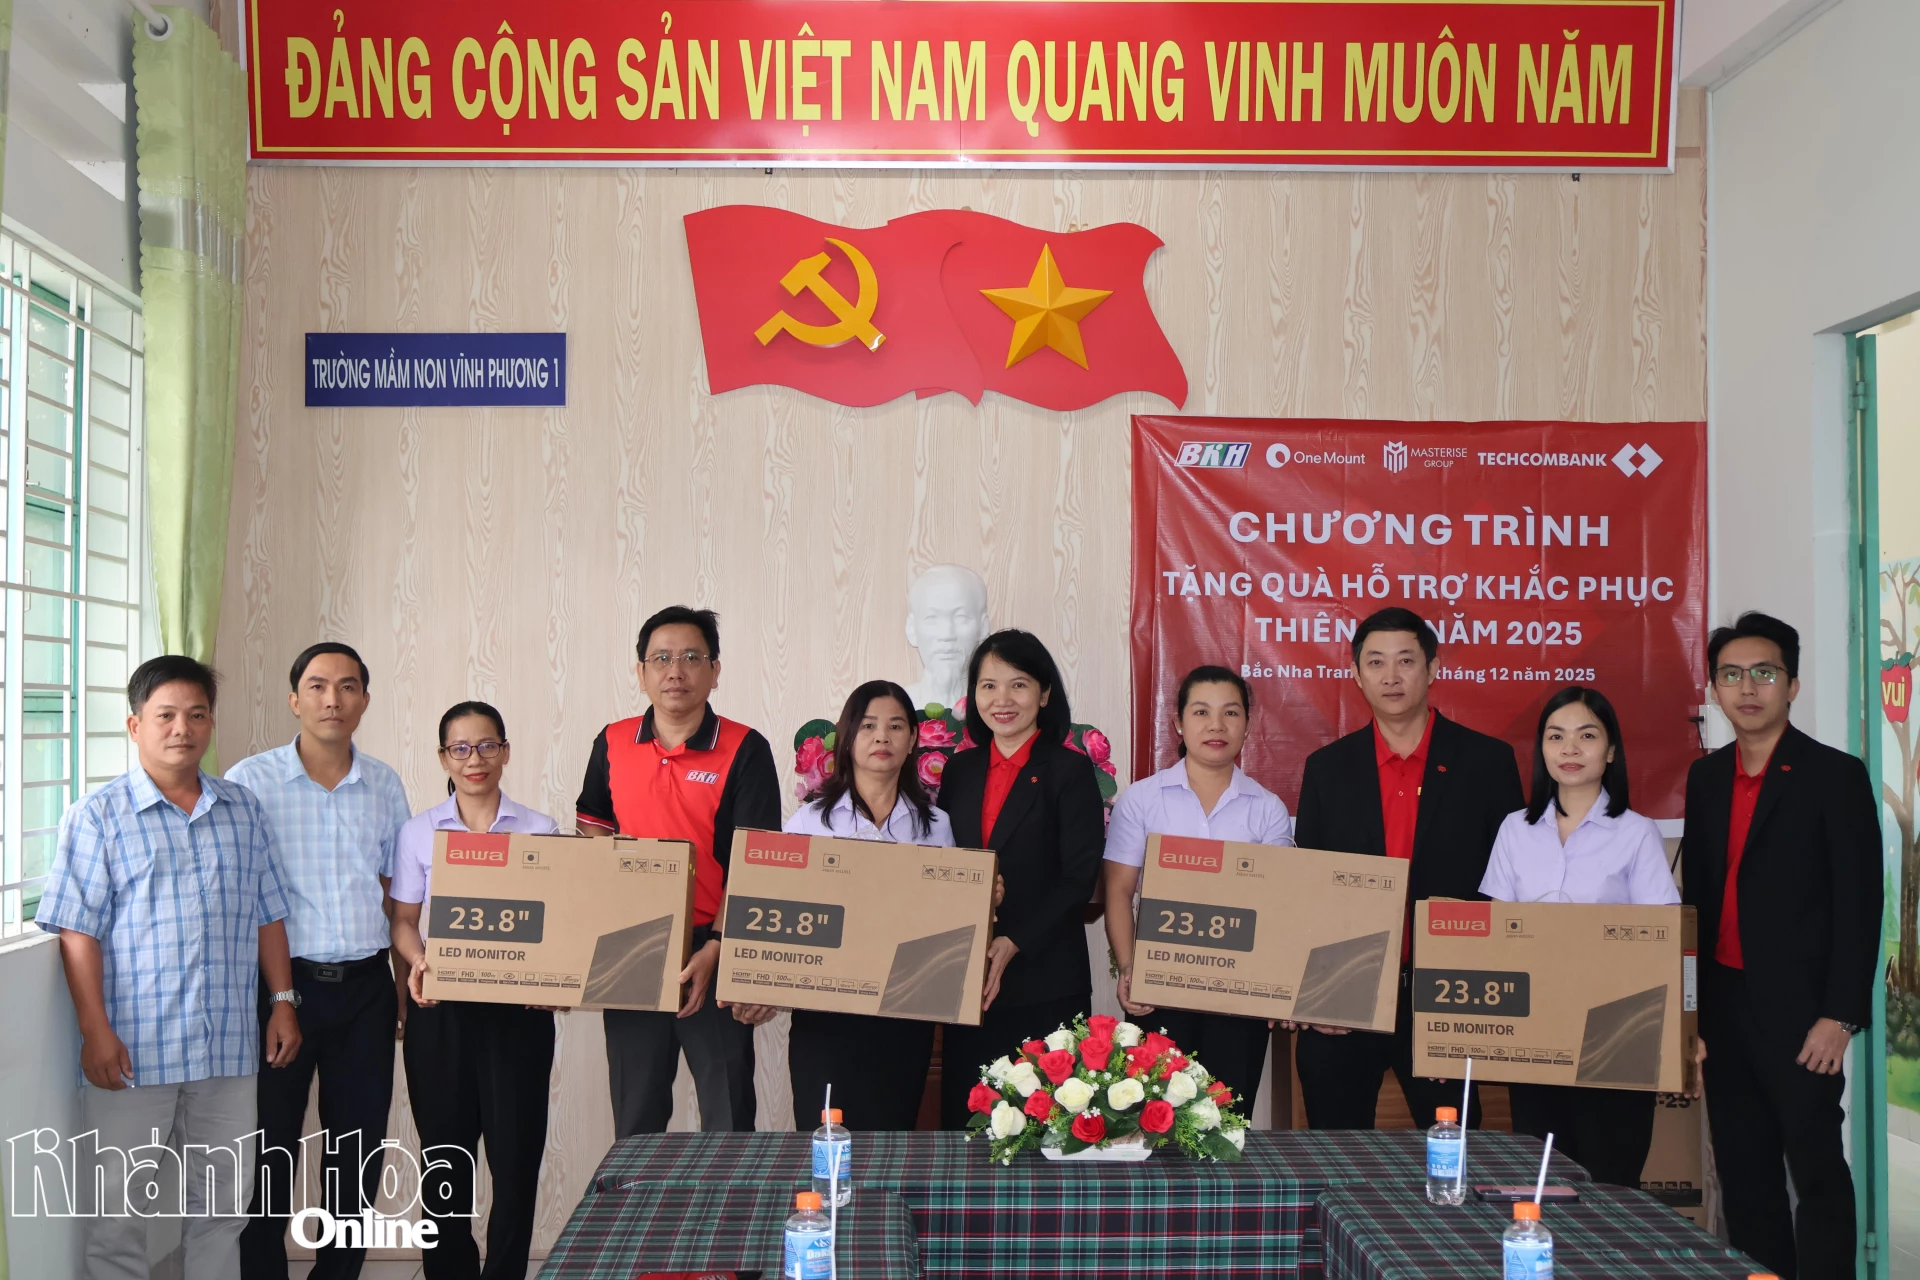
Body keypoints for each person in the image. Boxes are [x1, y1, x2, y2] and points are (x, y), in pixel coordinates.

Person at [39, 657, 301, 1280]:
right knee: (118, 1215)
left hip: (227, 1049)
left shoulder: (242, 809)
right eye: (166, 716)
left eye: (196, 714)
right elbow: (78, 932)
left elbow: (267, 913)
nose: (182, 728)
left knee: (223, 1210)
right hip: (134, 1052)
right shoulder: (97, 815)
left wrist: (283, 1001)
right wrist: (95, 1030)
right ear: (135, 725)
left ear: (211, 722)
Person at [1681, 612, 1880, 1280]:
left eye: (1764, 673)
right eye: (1731, 674)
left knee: (1815, 1171)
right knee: (1746, 1173)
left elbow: (1860, 904)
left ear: (1791, 684)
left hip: (1803, 1015)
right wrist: (1691, 1015)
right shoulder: (1706, 779)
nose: (1748, 688)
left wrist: (1840, 1015)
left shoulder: (1834, 775)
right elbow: (1697, 902)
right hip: (1725, 1007)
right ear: (1714, 688)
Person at [1291, 606, 1524, 1130]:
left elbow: (1506, 889)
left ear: (1433, 668)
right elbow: (1310, 889)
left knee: (1453, 1148)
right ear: (1357, 675)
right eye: (1375, 662)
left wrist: (1475, 1003)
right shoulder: (1327, 769)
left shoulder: (1487, 763)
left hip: (1447, 994)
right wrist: (1315, 992)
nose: (1391, 676)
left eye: (1406, 660)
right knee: (1335, 1145)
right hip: (1347, 993)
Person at [225, 643, 411, 1280]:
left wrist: (401, 988)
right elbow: (245, 893)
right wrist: (279, 998)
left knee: (357, 1152)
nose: (334, 699)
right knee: (269, 1149)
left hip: (366, 989)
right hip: (282, 989)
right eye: (318, 685)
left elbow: (396, 895)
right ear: (294, 699)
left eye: (348, 686)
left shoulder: (383, 784)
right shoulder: (251, 781)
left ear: (365, 699)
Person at [576, 606, 781, 1135]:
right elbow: (592, 827)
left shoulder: (745, 748)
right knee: (636, 1114)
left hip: (715, 947)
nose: (676, 671)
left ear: (715, 671)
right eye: (661, 658)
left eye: (691, 657)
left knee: (727, 1112)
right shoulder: (612, 741)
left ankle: (733, 1197)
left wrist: (718, 948)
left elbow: (756, 864)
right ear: (641, 671)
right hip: (631, 948)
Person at [723, 680, 956, 1130]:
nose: (882, 737)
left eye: (896, 726)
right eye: (868, 726)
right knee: (826, 1140)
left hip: (904, 1013)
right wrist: (758, 983)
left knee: (892, 1139)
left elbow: (947, 916)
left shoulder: (936, 826)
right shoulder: (810, 822)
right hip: (825, 1018)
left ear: (913, 740)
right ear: (847, 738)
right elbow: (776, 908)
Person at [1480, 685, 1678, 1187]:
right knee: (1543, 1181)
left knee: (1611, 1183)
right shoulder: (1514, 830)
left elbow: (1662, 941)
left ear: (1610, 752)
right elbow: (1494, 936)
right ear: (1542, 750)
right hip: (1534, 1033)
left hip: (1617, 1032)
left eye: (1586, 736)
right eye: (1556, 736)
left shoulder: (1636, 832)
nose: (1570, 748)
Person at [389, 702, 560, 1280]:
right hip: (441, 1013)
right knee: (445, 1161)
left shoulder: (540, 830)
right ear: (444, 758)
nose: (475, 759)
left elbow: (558, 923)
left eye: (487, 746)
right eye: (460, 749)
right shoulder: (419, 832)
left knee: (515, 1162)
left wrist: (553, 978)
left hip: (519, 1015)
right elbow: (403, 921)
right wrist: (418, 962)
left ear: (505, 751)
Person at [1102, 665, 1292, 1115]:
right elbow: (1118, 892)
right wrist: (1130, 969)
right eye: (1202, 712)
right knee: (1151, 1119)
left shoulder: (1268, 809)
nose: (1216, 725)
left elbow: (1279, 907)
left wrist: (1277, 984)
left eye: (1231, 713)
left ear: (1248, 724)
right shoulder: (1142, 800)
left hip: (1240, 995)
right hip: (1159, 990)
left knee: (1225, 1120)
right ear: (1178, 723)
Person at [936, 630, 1106, 1128]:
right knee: (968, 1125)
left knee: (1044, 1128)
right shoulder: (959, 770)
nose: (1002, 700)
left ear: (1044, 694)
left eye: (1019, 684)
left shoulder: (1070, 771)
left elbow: (1079, 879)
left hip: (1045, 977)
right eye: (988, 686)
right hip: (970, 982)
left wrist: (1014, 941)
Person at [902, 564, 991, 712]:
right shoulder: (897, 707)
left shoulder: (998, 709)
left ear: (983, 627)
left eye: (961, 617)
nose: (947, 635)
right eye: (932, 618)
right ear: (912, 629)